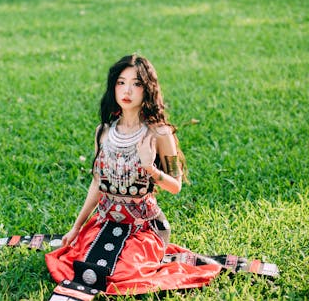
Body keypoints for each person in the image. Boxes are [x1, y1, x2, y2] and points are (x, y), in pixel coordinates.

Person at [45, 55, 221, 299]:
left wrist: (151, 169)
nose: (127, 90)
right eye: (121, 82)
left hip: (143, 227)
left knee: (123, 276)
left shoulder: (160, 133)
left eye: (137, 84)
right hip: (105, 222)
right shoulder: (103, 132)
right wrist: (76, 227)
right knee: (80, 264)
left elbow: (176, 186)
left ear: (147, 89)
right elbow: (97, 183)